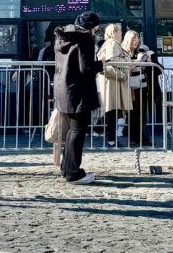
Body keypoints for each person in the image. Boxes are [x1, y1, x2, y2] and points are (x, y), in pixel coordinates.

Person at [54, 12, 103, 184]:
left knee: (71, 131)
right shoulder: (85, 39)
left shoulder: (63, 37)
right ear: (91, 27)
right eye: (96, 27)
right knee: (77, 131)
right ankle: (74, 173)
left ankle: (67, 168)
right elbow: (86, 68)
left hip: (64, 90)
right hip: (79, 92)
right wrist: (102, 64)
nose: (97, 31)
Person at [97, 24, 132, 147]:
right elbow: (112, 59)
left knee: (112, 110)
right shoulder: (112, 43)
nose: (121, 34)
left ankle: (110, 138)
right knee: (112, 110)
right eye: (119, 31)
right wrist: (127, 61)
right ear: (114, 32)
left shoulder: (108, 43)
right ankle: (111, 139)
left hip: (111, 81)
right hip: (112, 81)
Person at [122, 30, 154, 147]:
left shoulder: (138, 51)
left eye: (137, 40)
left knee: (142, 113)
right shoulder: (124, 52)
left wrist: (148, 60)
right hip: (130, 86)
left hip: (142, 84)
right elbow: (127, 67)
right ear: (128, 40)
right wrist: (139, 61)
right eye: (133, 40)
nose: (135, 43)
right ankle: (133, 139)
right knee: (132, 114)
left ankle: (143, 138)